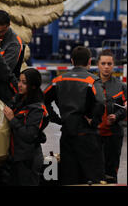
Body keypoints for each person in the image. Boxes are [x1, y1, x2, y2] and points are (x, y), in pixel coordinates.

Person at [44, 46, 105, 185]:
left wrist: (55, 118)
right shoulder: (92, 80)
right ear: (90, 61)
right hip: (86, 134)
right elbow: (101, 102)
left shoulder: (58, 80)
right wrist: (94, 121)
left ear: (71, 61)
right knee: (91, 176)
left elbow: (43, 99)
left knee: (69, 175)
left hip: (66, 133)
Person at [3, 68, 49, 186]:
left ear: (33, 86)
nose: (20, 85)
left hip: (28, 159)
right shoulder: (19, 99)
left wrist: (13, 119)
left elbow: (29, 135)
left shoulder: (37, 108)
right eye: (19, 81)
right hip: (16, 157)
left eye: (24, 83)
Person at [96, 49, 127, 183]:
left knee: (111, 171)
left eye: (109, 63)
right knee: (96, 170)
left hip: (114, 137)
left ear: (113, 65)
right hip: (94, 135)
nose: (106, 67)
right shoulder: (91, 84)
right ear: (98, 65)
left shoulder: (121, 86)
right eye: (103, 63)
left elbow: (126, 108)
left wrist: (117, 115)